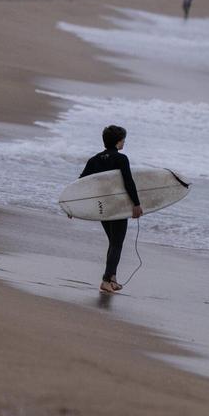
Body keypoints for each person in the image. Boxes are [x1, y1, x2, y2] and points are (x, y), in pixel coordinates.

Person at [79, 125, 143, 293]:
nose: (124, 143)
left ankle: (112, 277)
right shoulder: (121, 159)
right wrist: (136, 204)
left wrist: (73, 207)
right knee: (116, 244)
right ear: (118, 141)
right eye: (123, 140)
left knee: (113, 243)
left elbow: (81, 184)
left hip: (102, 207)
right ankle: (106, 280)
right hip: (117, 206)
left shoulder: (94, 159)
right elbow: (129, 182)